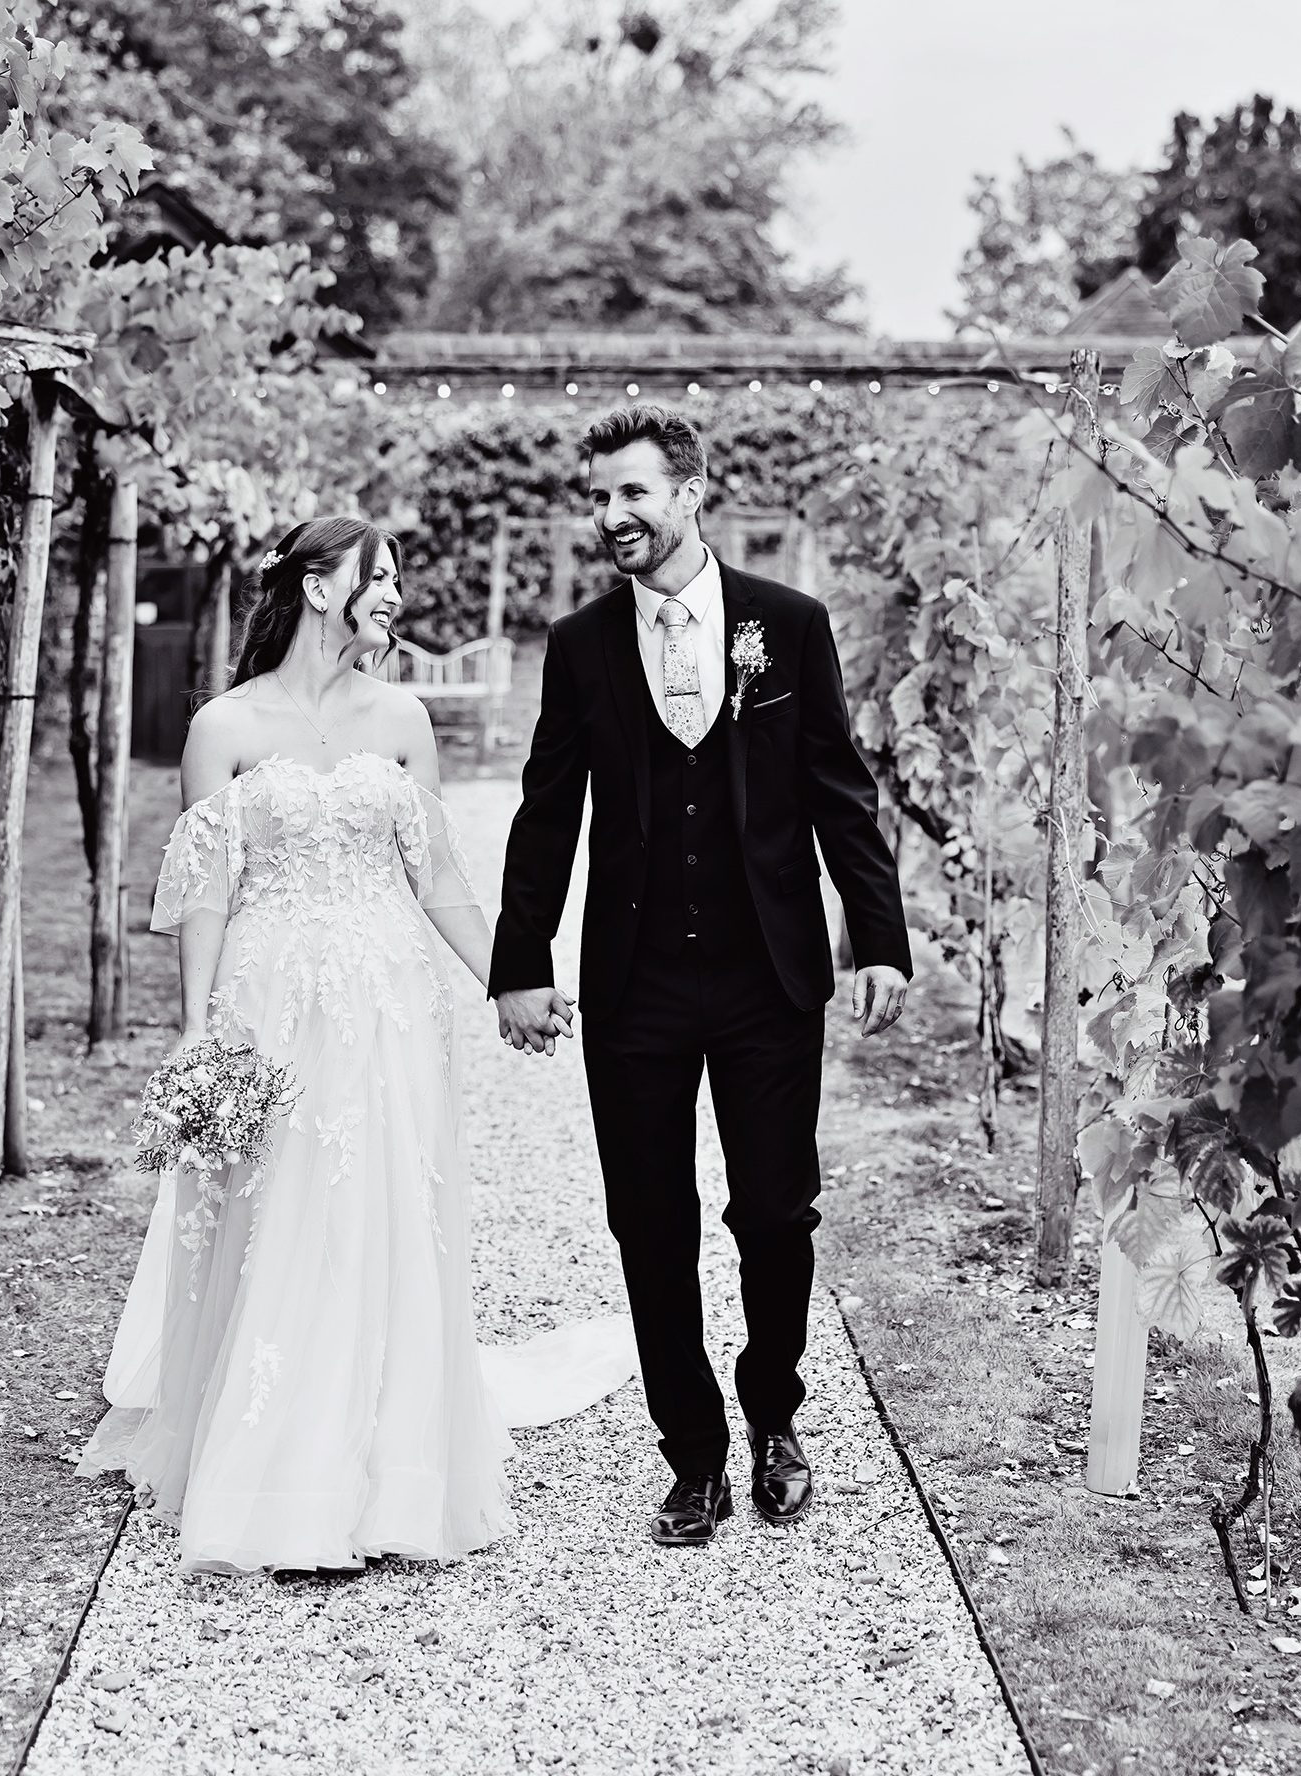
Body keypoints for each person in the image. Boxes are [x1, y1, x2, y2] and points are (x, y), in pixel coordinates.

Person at [80, 515, 633, 1576]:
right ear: (321, 587)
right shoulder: (224, 728)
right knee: (278, 1216)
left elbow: (436, 878)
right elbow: (206, 892)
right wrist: (198, 1026)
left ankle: (382, 1463)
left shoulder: (402, 717)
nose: (395, 596)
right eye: (379, 578)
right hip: (269, 1000)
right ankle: (274, 1471)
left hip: (387, 1005)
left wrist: (511, 979)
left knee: (379, 1211)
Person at [490, 404, 913, 1547]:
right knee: (649, 1223)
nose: (611, 515)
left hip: (769, 976)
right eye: (599, 497)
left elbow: (839, 792)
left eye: (632, 492)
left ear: (690, 492)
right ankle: (695, 1454)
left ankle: (774, 1413)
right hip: (634, 984)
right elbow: (546, 810)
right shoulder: (579, 647)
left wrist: (877, 936)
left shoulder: (788, 624)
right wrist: (519, 961)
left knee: (775, 1214)